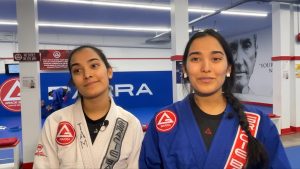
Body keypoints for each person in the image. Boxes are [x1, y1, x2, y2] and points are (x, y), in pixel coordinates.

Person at [139, 29, 290, 169]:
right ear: (184, 69)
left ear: (229, 68)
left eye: (216, 59)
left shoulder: (258, 123)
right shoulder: (163, 123)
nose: (206, 67)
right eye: (196, 59)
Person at [34, 45, 144, 168]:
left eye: (94, 65)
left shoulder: (131, 123)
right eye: (77, 70)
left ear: (109, 72)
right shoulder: (55, 122)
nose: (87, 74)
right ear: (73, 80)